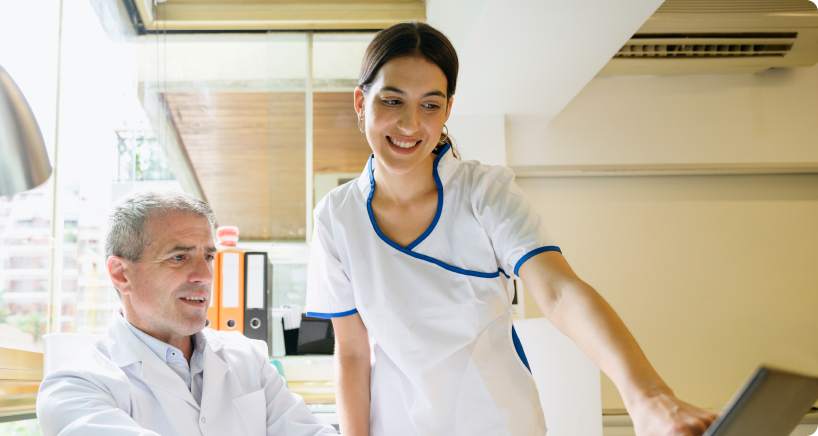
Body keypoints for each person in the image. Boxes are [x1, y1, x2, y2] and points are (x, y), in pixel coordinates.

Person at [305, 22, 717, 436]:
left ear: (447, 109)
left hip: (497, 424)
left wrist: (647, 397)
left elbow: (558, 292)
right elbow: (353, 354)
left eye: (430, 105)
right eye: (393, 100)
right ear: (361, 101)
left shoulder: (486, 192)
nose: (411, 124)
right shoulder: (336, 218)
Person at [38, 191, 337, 436]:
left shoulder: (248, 358)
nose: (205, 275)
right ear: (121, 275)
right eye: (179, 257)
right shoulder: (75, 389)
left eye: (208, 256)